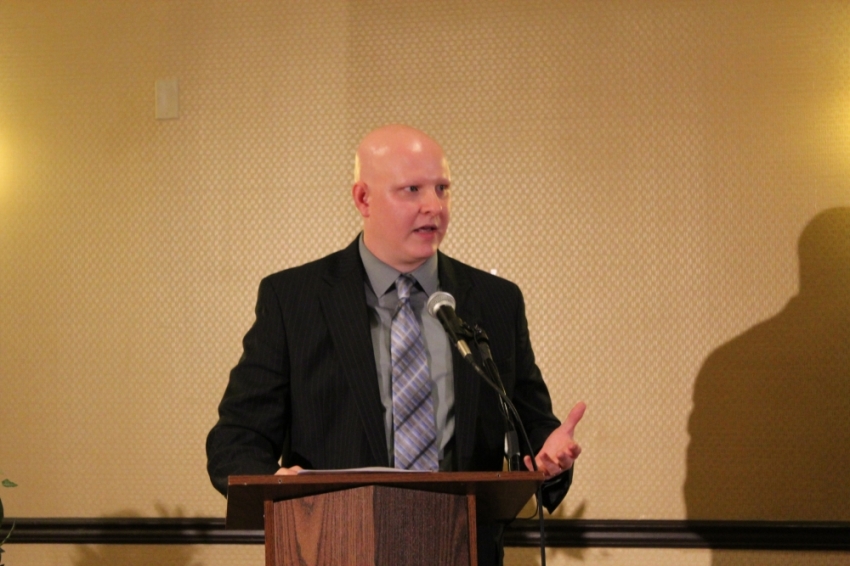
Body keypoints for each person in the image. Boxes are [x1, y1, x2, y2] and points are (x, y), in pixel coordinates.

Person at [206, 124, 585, 565]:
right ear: (363, 199)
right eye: (412, 190)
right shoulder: (294, 299)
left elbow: (530, 427)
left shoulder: (494, 302)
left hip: (462, 549)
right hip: (330, 546)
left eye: (442, 189)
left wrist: (547, 455)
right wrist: (279, 483)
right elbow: (236, 439)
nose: (434, 207)